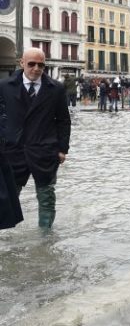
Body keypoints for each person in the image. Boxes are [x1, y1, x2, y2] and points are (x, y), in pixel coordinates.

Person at [0, 48, 71, 229]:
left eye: (41, 65)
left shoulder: (56, 89)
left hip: (44, 150)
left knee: (46, 196)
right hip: (13, 150)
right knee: (8, 195)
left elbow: (63, 120)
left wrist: (63, 149)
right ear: (22, 63)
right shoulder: (4, 86)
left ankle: (45, 241)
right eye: (31, 64)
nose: (36, 68)